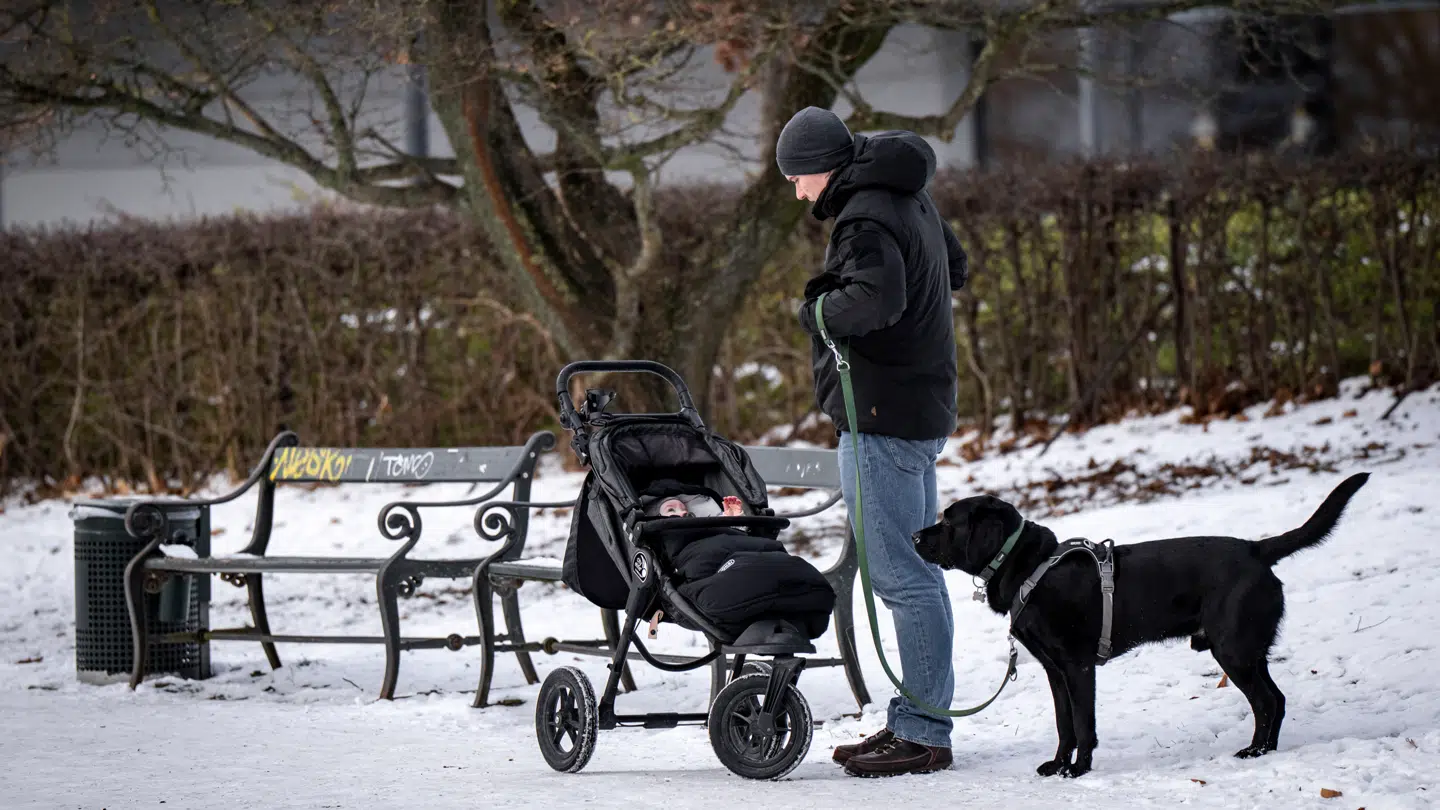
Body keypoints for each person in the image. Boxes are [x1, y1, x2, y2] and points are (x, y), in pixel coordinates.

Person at [777, 106, 970, 778]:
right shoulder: (906, 194)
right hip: (919, 407)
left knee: (901, 579)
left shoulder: (862, 216)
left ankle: (921, 733)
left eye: (797, 179)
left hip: (883, 417)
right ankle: (920, 723)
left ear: (818, 169)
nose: (798, 193)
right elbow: (958, 266)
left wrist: (815, 310)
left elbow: (873, 302)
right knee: (920, 574)